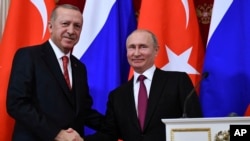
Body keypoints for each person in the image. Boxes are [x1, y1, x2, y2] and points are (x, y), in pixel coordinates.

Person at [6, 4, 103, 141]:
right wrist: (57, 133)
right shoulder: (29, 56)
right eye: (65, 24)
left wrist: (119, 126)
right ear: (50, 27)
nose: (71, 31)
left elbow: (83, 112)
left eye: (77, 26)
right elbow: (17, 104)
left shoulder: (79, 68)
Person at [85, 29, 203, 141]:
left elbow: (195, 124)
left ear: (156, 50)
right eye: (132, 47)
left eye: (143, 47)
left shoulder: (177, 81)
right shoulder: (117, 96)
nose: (136, 53)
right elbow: (109, 134)